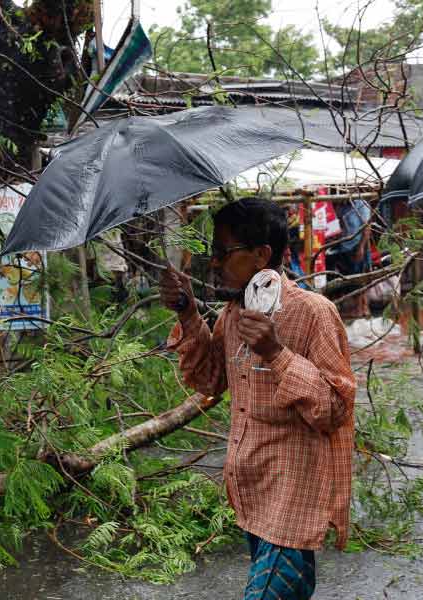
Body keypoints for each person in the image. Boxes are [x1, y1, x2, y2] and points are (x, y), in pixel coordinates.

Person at [160, 198, 356, 599]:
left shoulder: (312, 313)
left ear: (261, 255)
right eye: (212, 253)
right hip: (252, 495)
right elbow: (210, 379)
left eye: (222, 252)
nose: (214, 263)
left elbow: (334, 410)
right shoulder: (235, 314)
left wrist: (276, 353)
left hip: (293, 502)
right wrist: (186, 312)